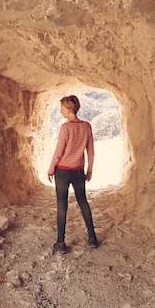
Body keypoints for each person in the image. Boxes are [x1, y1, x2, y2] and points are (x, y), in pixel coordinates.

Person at [47, 95, 98, 254]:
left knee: (62, 205)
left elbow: (59, 151)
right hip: (78, 171)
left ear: (69, 109)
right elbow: (90, 151)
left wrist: (51, 168)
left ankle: (60, 244)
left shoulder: (65, 128)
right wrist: (89, 169)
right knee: (83, 202)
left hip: (62, 171)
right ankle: (92, 239)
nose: (61, 111)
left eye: (62, 108)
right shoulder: (86, 126)